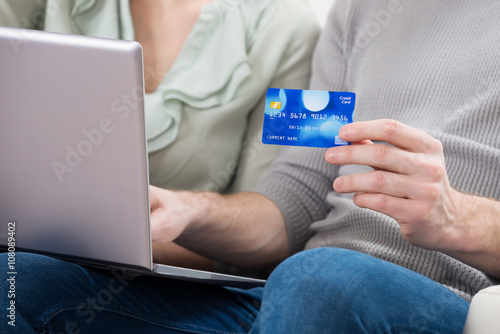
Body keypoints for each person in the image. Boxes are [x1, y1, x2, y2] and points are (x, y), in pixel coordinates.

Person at [2, 0, 500, 333]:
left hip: (443, 297)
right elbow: (295, 201)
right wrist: (189, 211)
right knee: (19, 278)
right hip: (293, 297)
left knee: (318, 278)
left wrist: (460, 218)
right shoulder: (358, 9)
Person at [0, 0, 320, 269]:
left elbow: (269, 227)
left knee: (23, 279)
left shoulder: (289, 31)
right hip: (15, 245)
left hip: (150, 281)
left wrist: (122, 248)